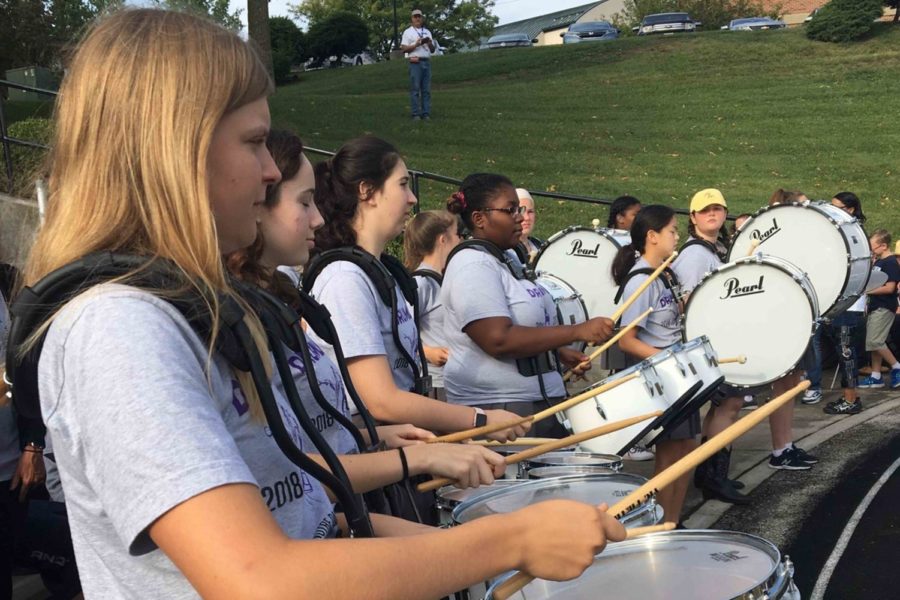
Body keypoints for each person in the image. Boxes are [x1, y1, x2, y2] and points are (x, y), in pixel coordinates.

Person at [17, 9, 625, 598]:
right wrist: (509, 539)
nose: (266, 174)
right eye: (254, 142)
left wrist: (464, 557)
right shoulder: (118, 328)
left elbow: (309, 519)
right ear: (172, 148)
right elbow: (257, 579)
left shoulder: (203, 311)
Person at [306, 135, 528, 441]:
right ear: (367, 192)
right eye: (402, 185)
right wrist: (481, 419)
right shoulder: (345, 279)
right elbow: (381, 400)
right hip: (375, 455)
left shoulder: (379, 271)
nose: (412, 198)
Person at [441, 173, 615, 438]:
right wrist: (576, 331)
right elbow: (497, 339)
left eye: (520, 209)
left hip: (534, 402)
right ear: (479, 219)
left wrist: (555, 352)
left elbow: (521, 323)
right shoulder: (473, 266)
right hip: (501, 407)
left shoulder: (506, 258)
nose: (520, 217)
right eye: (510, 210)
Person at [613, 205, 699, 524]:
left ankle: (673, 520)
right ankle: (661, 525)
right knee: (669, 455)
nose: (677, 236)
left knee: (688, 448)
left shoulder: (664, 273)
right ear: (652, 236)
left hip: (677, 373)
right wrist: (666, 359)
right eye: (672, 231)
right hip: (663, 377)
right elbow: (626, 340)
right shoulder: (640, 280)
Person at [671, 189, 747, 505]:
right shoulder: (695, 255)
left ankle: (710, 472)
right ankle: (713, 478)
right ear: (693, 217)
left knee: (728, 405)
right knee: (729, 405)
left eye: (717, 209)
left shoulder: (715, 249)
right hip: (709, 343)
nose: (712, 215)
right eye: (705, 211)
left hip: (720, 338)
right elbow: (687, 303)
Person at [763, 190, 818, 470]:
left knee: (791, 387)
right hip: (782, 323)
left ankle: (785, 445)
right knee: (782, 388)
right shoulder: (775, 243)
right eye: (803, 206)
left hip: (798, 320)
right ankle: (779, 450)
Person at [804, 192, 866, 415]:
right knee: (845, 351)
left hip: (847, 304)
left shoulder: (849, 233)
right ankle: (851, 396)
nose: (831, 211)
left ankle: (850, 400)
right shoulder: (851, 232)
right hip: (844, 303)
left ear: (849, 209)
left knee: (846, 352)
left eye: (836, 207)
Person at [403, 210, 460, 400]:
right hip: (436, 384)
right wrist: (426, 352)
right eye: (457, 235)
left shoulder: (446, 279)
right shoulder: (420, 283)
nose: (460, 241)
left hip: (455, 380)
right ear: (443, 239)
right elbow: (400, 330)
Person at [858, 229, 900, 390]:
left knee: (874, 341)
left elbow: (889, 288)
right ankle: (876, 375)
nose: (871, 251)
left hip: (884, 306)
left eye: (873, 248)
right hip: (875, 306)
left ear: (883, 246)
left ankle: (896, 366)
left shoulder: (890, 263)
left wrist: (866, 291)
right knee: (876, 342)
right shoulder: (880, 262)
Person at [400, 9, 436, 121]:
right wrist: (416, 44)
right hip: (415, 61)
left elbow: (433, 50)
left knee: (426, 89)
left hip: (426, 60)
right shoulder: (408, 32)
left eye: (419, 16)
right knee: (415, 89)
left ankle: (426, 113)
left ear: (422, 18)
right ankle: (415, 113)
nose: (417, 19)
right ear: (412, 19)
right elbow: (404, 49)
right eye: (415, 17)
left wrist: (429, 43)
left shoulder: (427, 32)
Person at [516, 188, 542, 260]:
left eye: (530, 212)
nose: (527, 218)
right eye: (521, 211)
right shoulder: (506, 252)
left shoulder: (539, 245)